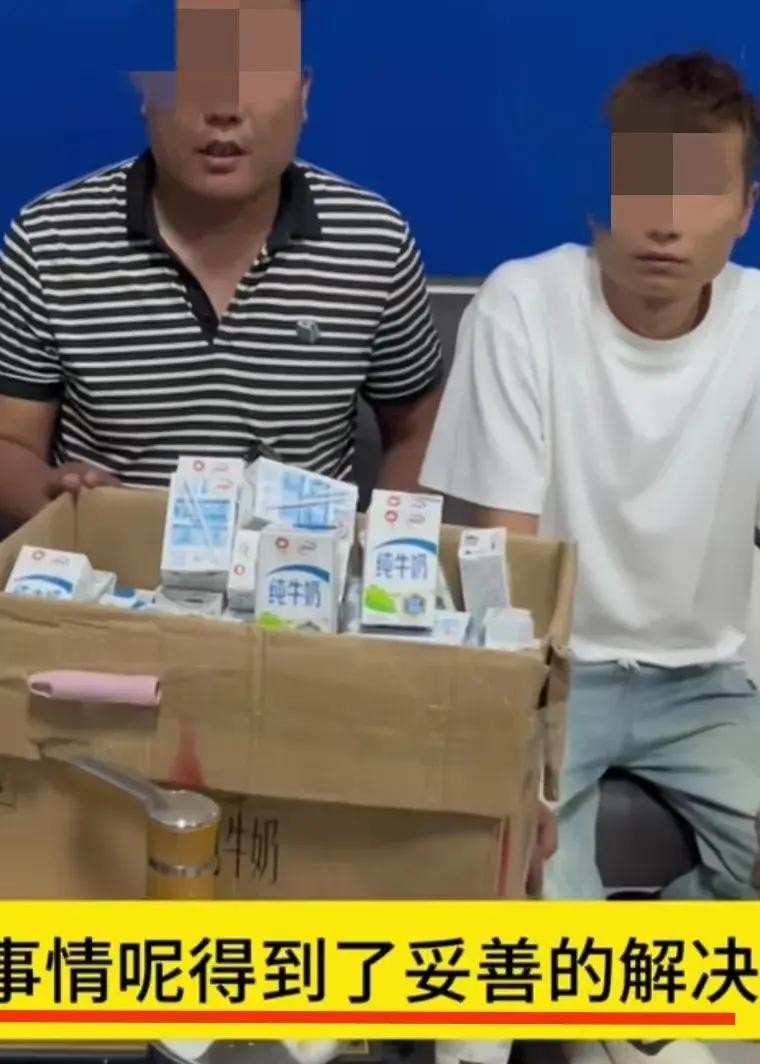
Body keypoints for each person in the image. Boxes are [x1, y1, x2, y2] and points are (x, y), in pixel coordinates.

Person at [421, 51, 760, 1064]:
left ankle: (642, 975)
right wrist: (522, 745)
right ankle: (614, 1008)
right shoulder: (523, 307)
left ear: (744, 212)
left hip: (711, 680)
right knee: (521, 918)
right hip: (553, 671)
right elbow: (508, 566)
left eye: (698, 193)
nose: (665, 223)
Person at [0, 0, 443, 527]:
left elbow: (419, 429)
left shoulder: (373, 240)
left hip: (302, 568)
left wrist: (386, 542)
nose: (225, 109)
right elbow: (2, 444)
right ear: (147, 90)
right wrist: (53, 500)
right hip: (109, 569)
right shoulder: (50, 238)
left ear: (303, 93)